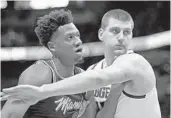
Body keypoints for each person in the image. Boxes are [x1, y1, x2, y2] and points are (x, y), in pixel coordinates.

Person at [1, 9, 163, 118]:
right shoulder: (40, 74)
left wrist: (42, 92)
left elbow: (99, 80)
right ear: (101, 34)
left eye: (127, 32)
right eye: (115, 31)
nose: (121, 37)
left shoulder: (134, 62)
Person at [1, 9, 94, 118]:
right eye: (70, 37)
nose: (78, 41)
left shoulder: (84, 79)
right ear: (52, 46)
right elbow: (7, 115)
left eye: (78, 35)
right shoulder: (38, 75)